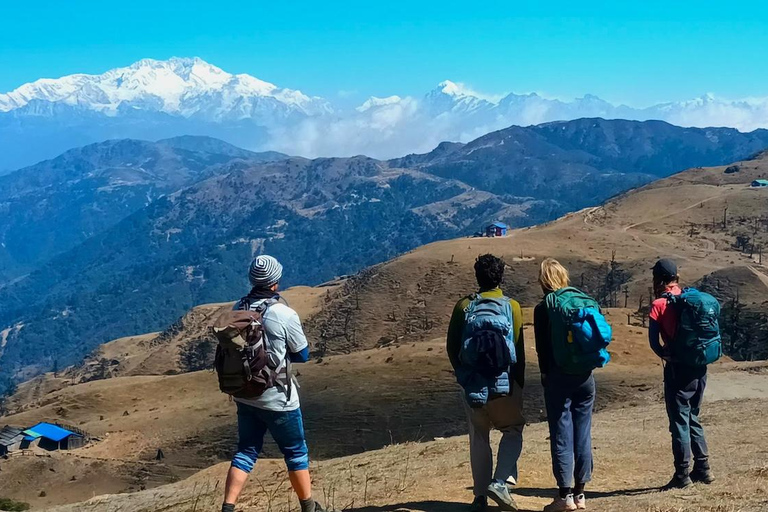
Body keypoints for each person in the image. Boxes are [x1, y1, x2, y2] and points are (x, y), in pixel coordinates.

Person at [221, 255, 326, 512]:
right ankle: (308, 507)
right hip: (278, 398)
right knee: (295, 453)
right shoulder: (283, 313)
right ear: (275, 282)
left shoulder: (238, 308)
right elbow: (302, 354)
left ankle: (227, 507)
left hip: (245, 395)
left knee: (245, 451)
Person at [447, 254, 526, 512]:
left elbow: (452, 347)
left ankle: (479, 497)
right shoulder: (512, 307)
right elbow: (518, 350)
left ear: (477, 276)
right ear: (501, 276)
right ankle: (500, 482)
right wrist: (518, 385)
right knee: (512, 430)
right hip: (504, 386)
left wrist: (464, 376)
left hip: (473, 385)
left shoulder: (463, 307)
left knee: (479, 437)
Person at [534, 258, 595, 512]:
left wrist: (545, 375)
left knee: (561, 432)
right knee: (583, 432)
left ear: (543, 281)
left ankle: (564, 496)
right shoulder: (580, 300)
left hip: (558, 376)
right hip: (585, 376)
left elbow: (542, 349)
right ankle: (581, 494)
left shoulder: (543, 308)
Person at [648, 258, 714, 490]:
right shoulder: (690, 298)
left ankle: (682, 474)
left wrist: (666, 356)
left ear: (659, 279)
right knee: (692, 416)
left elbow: (653, 342)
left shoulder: (659, 304)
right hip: (699, 366)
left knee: (679, 421)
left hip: (678, 369)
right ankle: (703, 469)